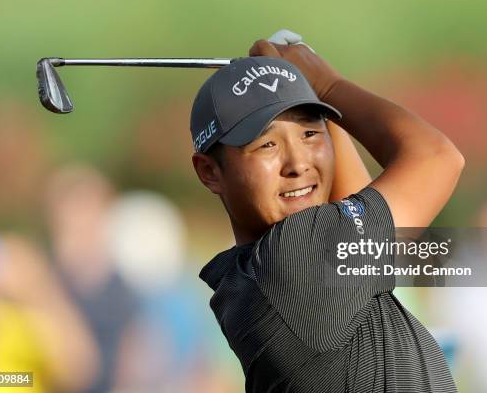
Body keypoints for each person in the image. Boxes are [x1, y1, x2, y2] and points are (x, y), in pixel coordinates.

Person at [190, 33, 464, 392]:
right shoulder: (297, 257)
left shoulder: (253, 275)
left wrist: (305, 91)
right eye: (267, 144)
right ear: (210, 172)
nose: (298, 163)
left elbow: (358, 208)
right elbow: (438, 158)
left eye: (309, 133)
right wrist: (327, 84)